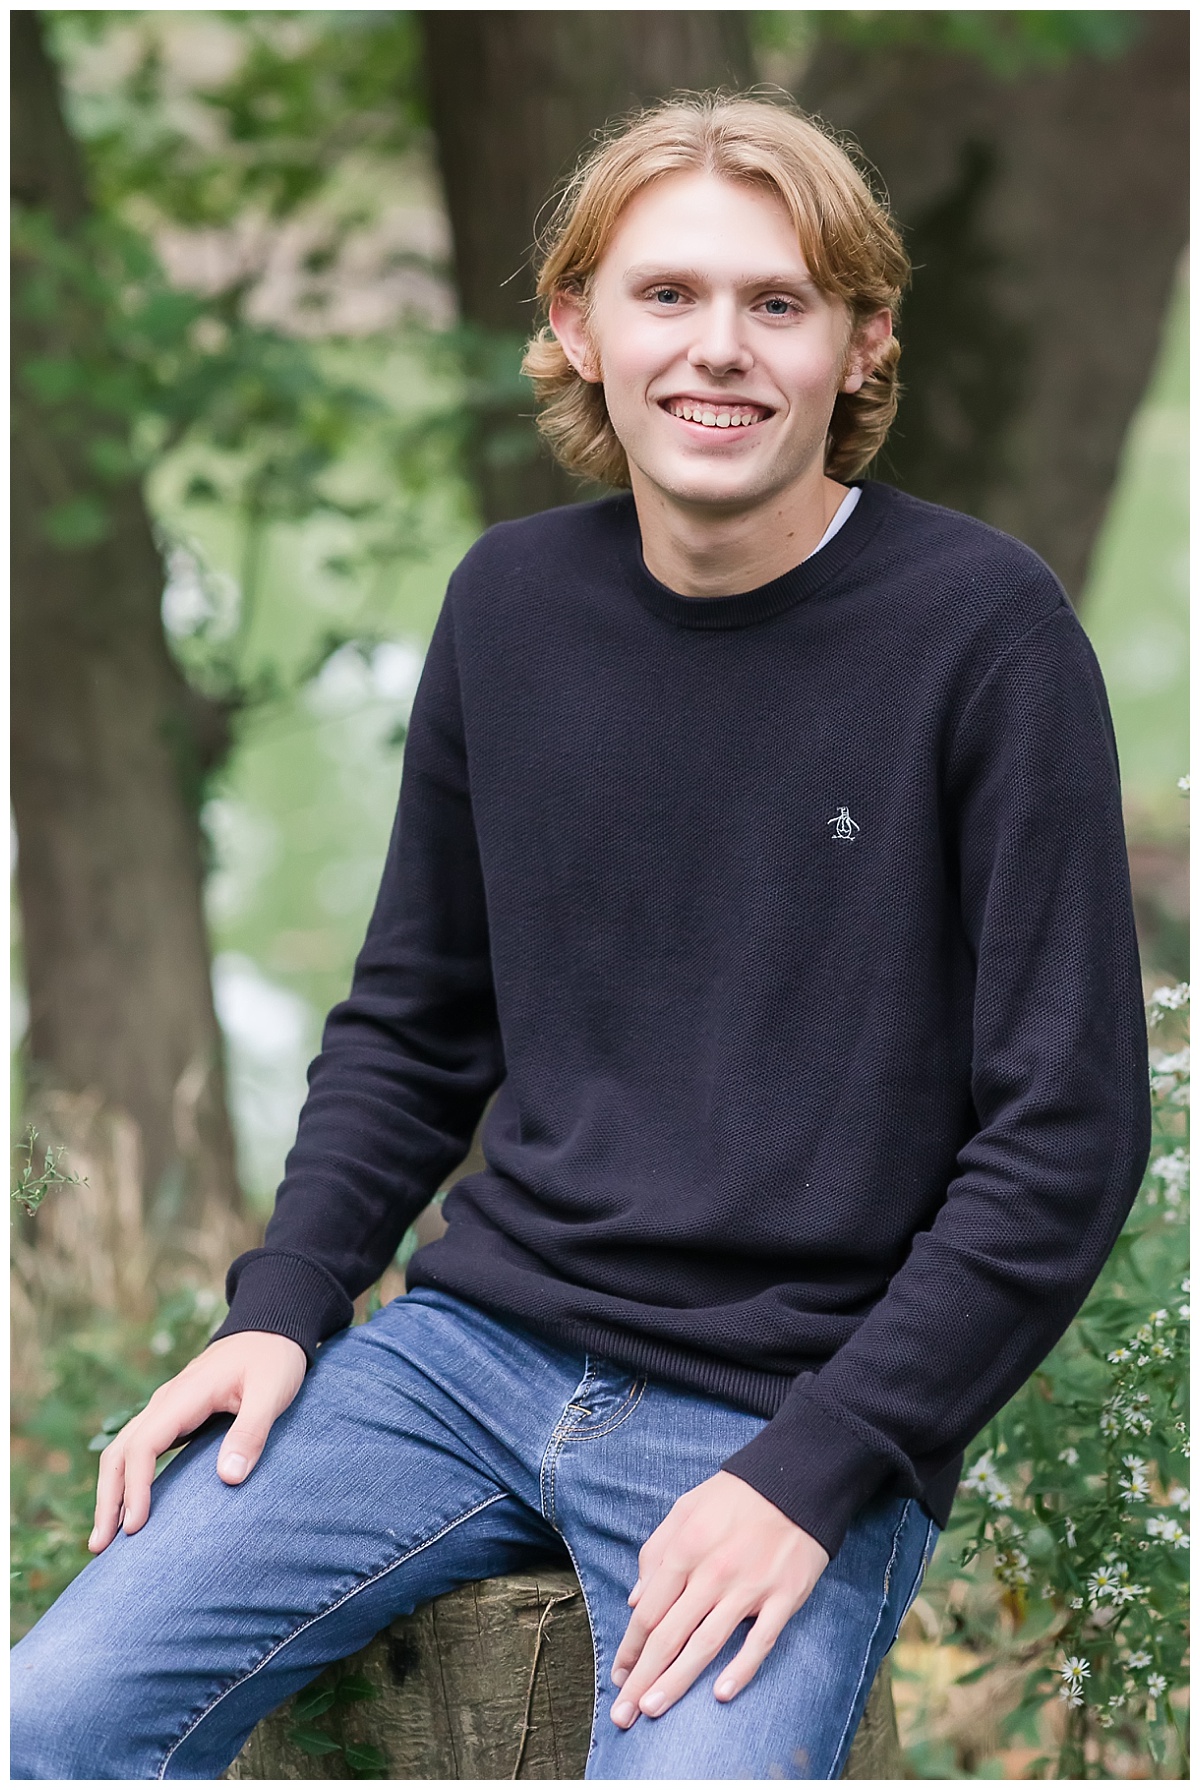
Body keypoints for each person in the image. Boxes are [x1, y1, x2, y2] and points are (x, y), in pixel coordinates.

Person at [11, 92, 1151, 1781]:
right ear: (576, 324)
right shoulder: (510, 605)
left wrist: (819, 1465)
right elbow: (416, 1022)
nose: (719, 348)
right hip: (461, 1357)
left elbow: (1068, 1132)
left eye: (778, 301)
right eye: (667, 293)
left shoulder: (986, 634)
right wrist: (282, 1302)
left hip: (783, 1405)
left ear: (861, 343)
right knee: (46, 1721)